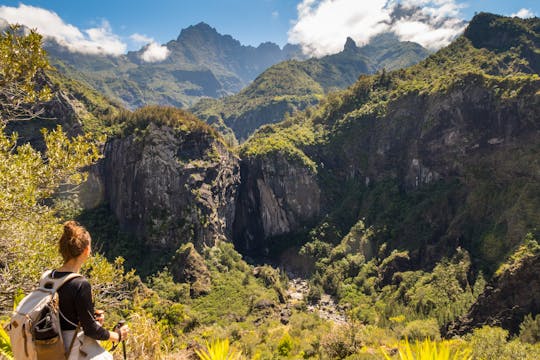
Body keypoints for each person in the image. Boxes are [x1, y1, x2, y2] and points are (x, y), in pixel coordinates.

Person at [49, 220, 129, 359]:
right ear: (86, 251)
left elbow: (65, 314)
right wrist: (118, 335)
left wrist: (90, 318)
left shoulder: (48, 277)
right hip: (69, 350)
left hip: (50, 346)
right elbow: (91, 330)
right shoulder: (80, 284)